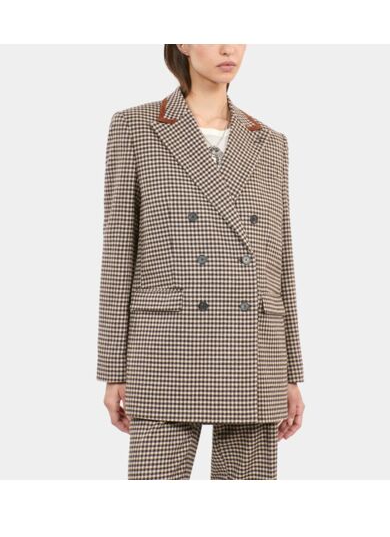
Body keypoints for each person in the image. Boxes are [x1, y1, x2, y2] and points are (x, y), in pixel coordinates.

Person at [96, 44, 305, 479]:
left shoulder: (270, 141)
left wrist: (290, 373)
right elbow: (118, 253)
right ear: (183, 43)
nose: (228, 48)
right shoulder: (136, 127)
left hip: (254, 354)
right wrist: (113, 369)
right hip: (167, 350)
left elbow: (280, 262)